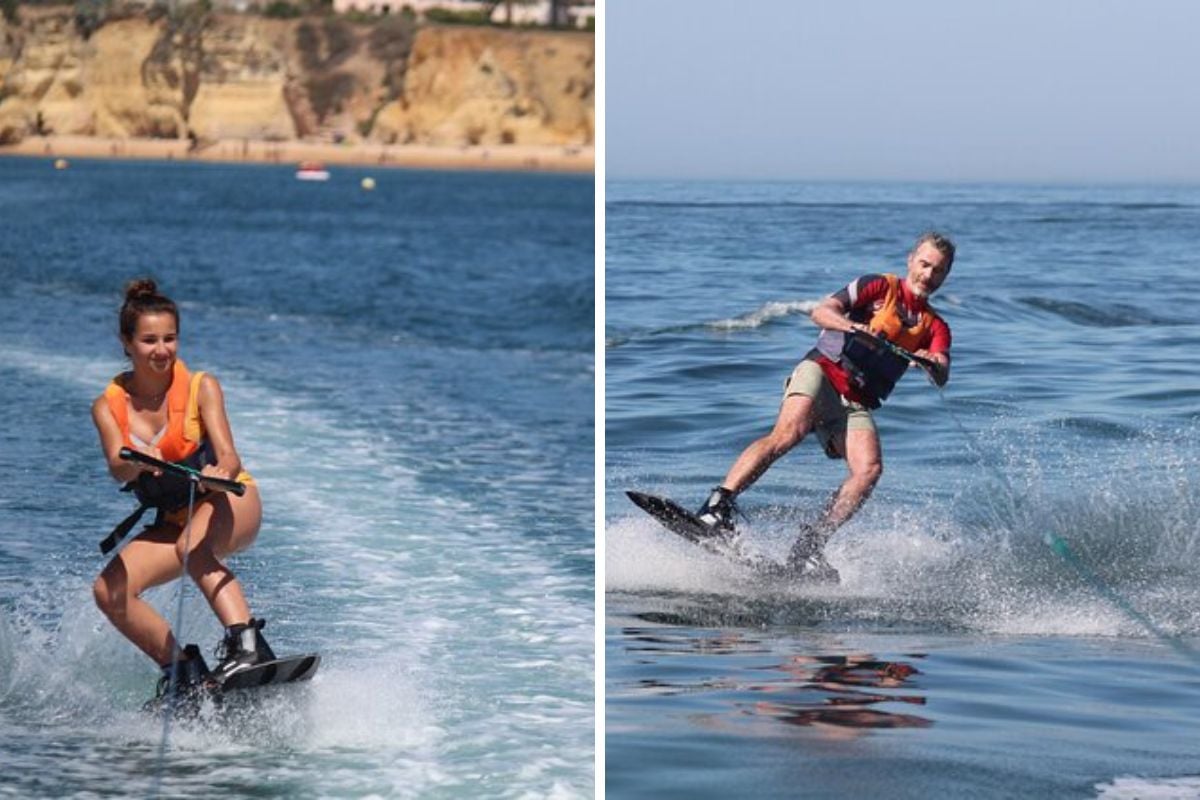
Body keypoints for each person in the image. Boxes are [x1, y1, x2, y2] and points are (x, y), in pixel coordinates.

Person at [694, 232, 956, 580]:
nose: (928, 275)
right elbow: (821, 312)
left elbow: (942, 374)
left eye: (938, 271)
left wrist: (931, 362)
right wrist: (856, 328)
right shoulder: (878, 286)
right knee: (790, 432)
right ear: (911, 260)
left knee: (869, 469)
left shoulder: (936, 326)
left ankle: (810, 545)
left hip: (856, 401)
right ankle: (716, 507)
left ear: (945, 276)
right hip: (821, 371)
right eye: (924, 264)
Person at [91, 279, 275, 700]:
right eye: (150, 340)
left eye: (170, 339)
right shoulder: (107, 406)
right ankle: (183, 672)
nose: (162, 350)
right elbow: (118, 470)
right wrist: (134, 461)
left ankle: (247, 645)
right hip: (175, 517)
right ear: (127, 343)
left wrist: (214, 473)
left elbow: (229, 457)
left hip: (229, 500)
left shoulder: (201, 387)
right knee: (110, 591)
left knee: (192, 548)